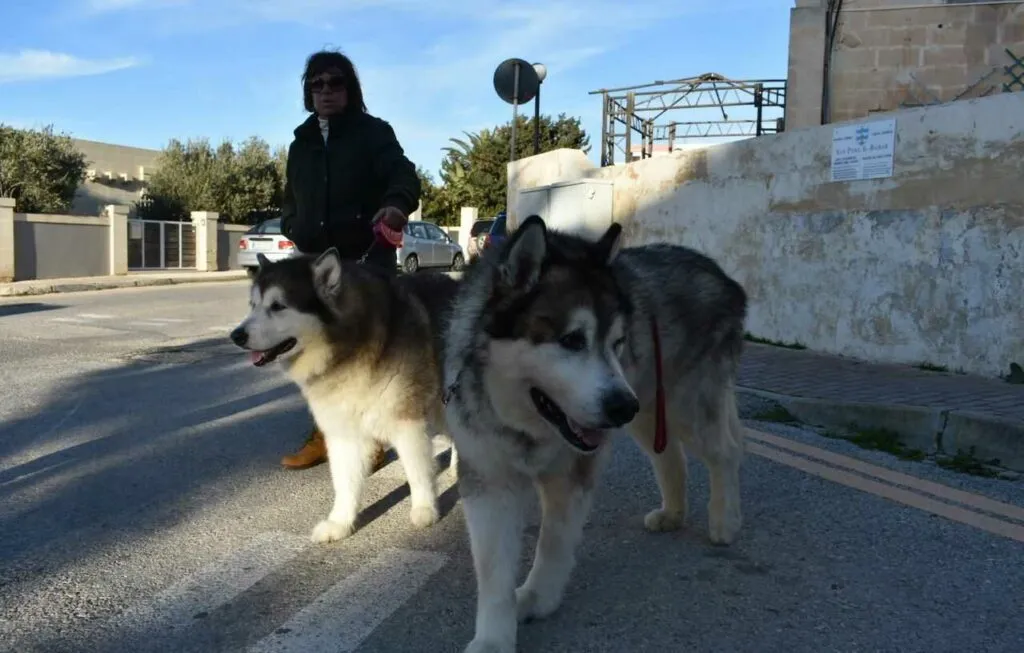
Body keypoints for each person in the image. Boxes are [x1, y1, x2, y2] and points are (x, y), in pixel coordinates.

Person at [277, 48, 421, 471]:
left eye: (335, 82)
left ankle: (374, 439)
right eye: (316, 84)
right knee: (314, 352)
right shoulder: (300, 144)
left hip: (366, 260)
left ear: (350, 89)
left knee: (367, 353)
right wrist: (293, 226)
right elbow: (291, 200)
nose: (326, 91)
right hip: (315, 264)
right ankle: (325, 434)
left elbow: (403, 174)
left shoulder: (373, 133)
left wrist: (396, 205)